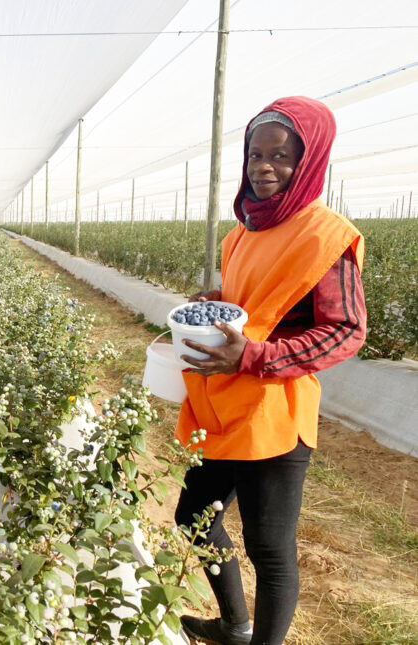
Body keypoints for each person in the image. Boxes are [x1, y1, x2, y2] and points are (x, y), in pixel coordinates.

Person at [173, 97, 366, 645]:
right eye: (256, 154)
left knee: (269, 549)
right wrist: (214, 300)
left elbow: (345, 329)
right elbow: (253, 302)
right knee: (194, 516)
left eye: (281, 157)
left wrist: (256, 356)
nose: (264, 167)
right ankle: (234, 626)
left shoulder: (325, 237)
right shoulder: (244, 231)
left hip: (276, 414)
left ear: (309, 162)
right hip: (228, 405)